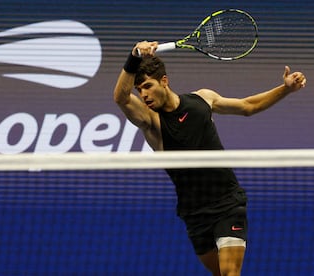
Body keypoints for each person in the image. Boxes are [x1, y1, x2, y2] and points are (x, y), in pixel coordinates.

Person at [113, 41, 306, 276]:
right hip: (194, 212)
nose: (143, 94)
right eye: (139, 90)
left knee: (230, 274)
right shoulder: (151, 121)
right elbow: (121, 98)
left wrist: (285, 89)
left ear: (164, 80)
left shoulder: (203, 99)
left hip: (227, 203)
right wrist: (133, 56)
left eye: (147, 86)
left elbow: (248, 106)